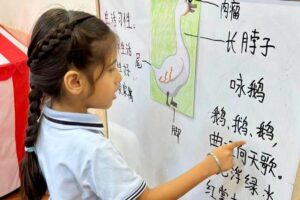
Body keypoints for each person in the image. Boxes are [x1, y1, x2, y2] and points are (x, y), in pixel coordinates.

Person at [20, 8, 246, 200]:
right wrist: (211, 164)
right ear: (75, 82)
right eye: (110, 69)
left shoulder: (46, 118)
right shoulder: (92, 150)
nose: (118, 77)